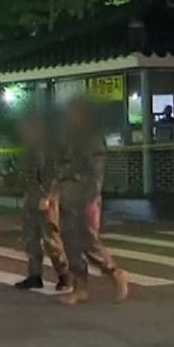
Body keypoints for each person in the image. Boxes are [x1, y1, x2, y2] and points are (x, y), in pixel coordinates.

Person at [56, 98, 129, 305]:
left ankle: (115, 273)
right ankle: (80, 287)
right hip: (68, 195)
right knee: (70, 242)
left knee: (88, 240)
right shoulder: (70, 137)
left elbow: (95, 172)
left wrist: (90, 199)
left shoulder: (92, 139)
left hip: (84, 196)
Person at [12, 110, 71, 291]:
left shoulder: (46, 147)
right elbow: (26, 172)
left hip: (45, 198)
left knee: (50, 239)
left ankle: (64, 275)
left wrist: (46, 196)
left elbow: (53, 174)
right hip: (31, 196)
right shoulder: (29, 145)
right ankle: (34, 275)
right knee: (31, 238)